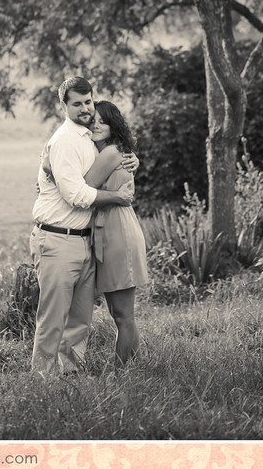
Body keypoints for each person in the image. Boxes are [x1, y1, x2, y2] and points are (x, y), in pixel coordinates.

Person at [30, 76, 137, 376]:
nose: (85, 108)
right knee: (53, 319)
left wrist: (131, 160)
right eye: (76, 104)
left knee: (79, 320)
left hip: (84, 240)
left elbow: (114, 154)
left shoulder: (89, 137)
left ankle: (71, 375)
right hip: (57, 240)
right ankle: (43, 381)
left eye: (88, 101)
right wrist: (116, 197)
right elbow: (77, 194)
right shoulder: (64, 141)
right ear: (64, 106)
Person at [85, 100, 148, 366]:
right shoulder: (113, 151)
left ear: (114, 125)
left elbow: (82, 187)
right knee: (121, 314)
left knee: (123, 316)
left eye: (103, 121)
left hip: (117, 232)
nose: (96, 125)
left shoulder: (110, 153)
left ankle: (120, 374)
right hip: (114, 228)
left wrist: (50, 170)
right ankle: (137, 366)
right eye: (93, 121)